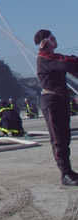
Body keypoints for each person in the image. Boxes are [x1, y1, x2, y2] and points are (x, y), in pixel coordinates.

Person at [35, 29, 78, 186]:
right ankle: (65, 173)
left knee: (65, 136)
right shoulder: (45, 58)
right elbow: (67, 62)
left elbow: (72, 68)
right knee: (58, 138)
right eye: (53, 37)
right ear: (46, 41)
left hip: (60, 99)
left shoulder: (52, 58)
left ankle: (69, 171)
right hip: (51, 101)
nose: (55, 39)